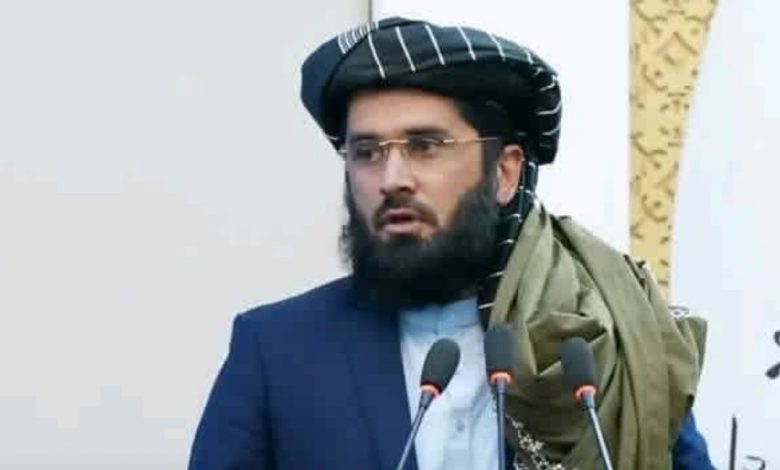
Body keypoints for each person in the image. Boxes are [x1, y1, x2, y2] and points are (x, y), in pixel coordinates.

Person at [189, 17, 714, 469]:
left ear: (504, 172)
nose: (392, 178)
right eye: (367, 152)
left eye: (425, 146)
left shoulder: (601, 341)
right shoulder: (277, 352)